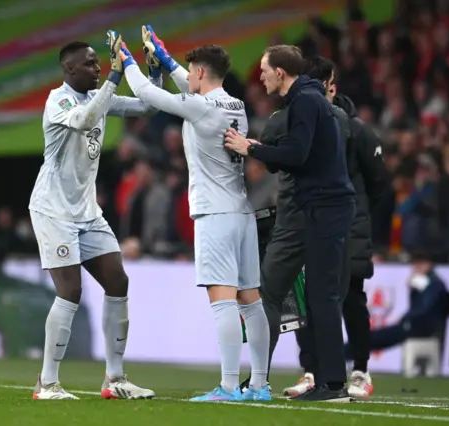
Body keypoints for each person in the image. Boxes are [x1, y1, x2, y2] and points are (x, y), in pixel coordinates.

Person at [121, 26, 271, 402]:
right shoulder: (236, 105)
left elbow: (144, 92)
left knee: (222, 299)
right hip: (241, 212)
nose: (186, 78)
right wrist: (165, 57)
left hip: (215, 214)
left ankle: (229, 386)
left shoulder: (200, 106)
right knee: (250, 300)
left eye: (190, 72)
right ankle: (259, 385)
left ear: (201, 73)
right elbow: (189, 90)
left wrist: (125, 60)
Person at [29, 34, 161, 400]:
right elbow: (86, 119)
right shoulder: (58, 100)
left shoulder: (98, 97)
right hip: (53, 209)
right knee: (70, 291)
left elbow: (147, 107)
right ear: (68, 68)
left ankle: (115, 379)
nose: (97, 66)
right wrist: (115, 77)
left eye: (98, 61)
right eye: (89, 63)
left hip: (86, 211)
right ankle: (48, 382)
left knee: (118, 282)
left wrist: (152, 69)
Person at [225, 45, 356, 402]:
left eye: (264, 70)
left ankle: (333, 384)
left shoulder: (303, 103)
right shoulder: (312, 102)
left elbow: (296, 155)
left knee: (322, 296)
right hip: (321, 207)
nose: (261, 77)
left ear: (281, 73)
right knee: (318, 296)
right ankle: (327, 380)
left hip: (324, 208)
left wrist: (250, 148)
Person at [281, 57, 389, 400]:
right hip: (310, 221)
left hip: (348, 225)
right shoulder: (300, 122)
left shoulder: (356, 129)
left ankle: (360, 369)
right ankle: (312, 371)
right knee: (305, 302)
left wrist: (365, 224)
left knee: (350, 300)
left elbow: (379, 185)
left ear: (330, 87)